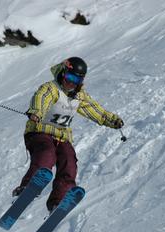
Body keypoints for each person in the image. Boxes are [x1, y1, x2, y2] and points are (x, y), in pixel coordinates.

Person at [13, 57, 124, 212]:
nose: (71, 83)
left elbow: (94, 110)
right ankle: (29, 187)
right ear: (63, 73)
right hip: (40, 133)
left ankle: (58, 201)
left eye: (76, 80)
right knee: (47, 154)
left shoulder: (79, 96)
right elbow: (41, 99)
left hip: (62, 137)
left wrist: (112, 120)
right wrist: (36, 112)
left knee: (69, 162)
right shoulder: (51, 88)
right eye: (69, 77)